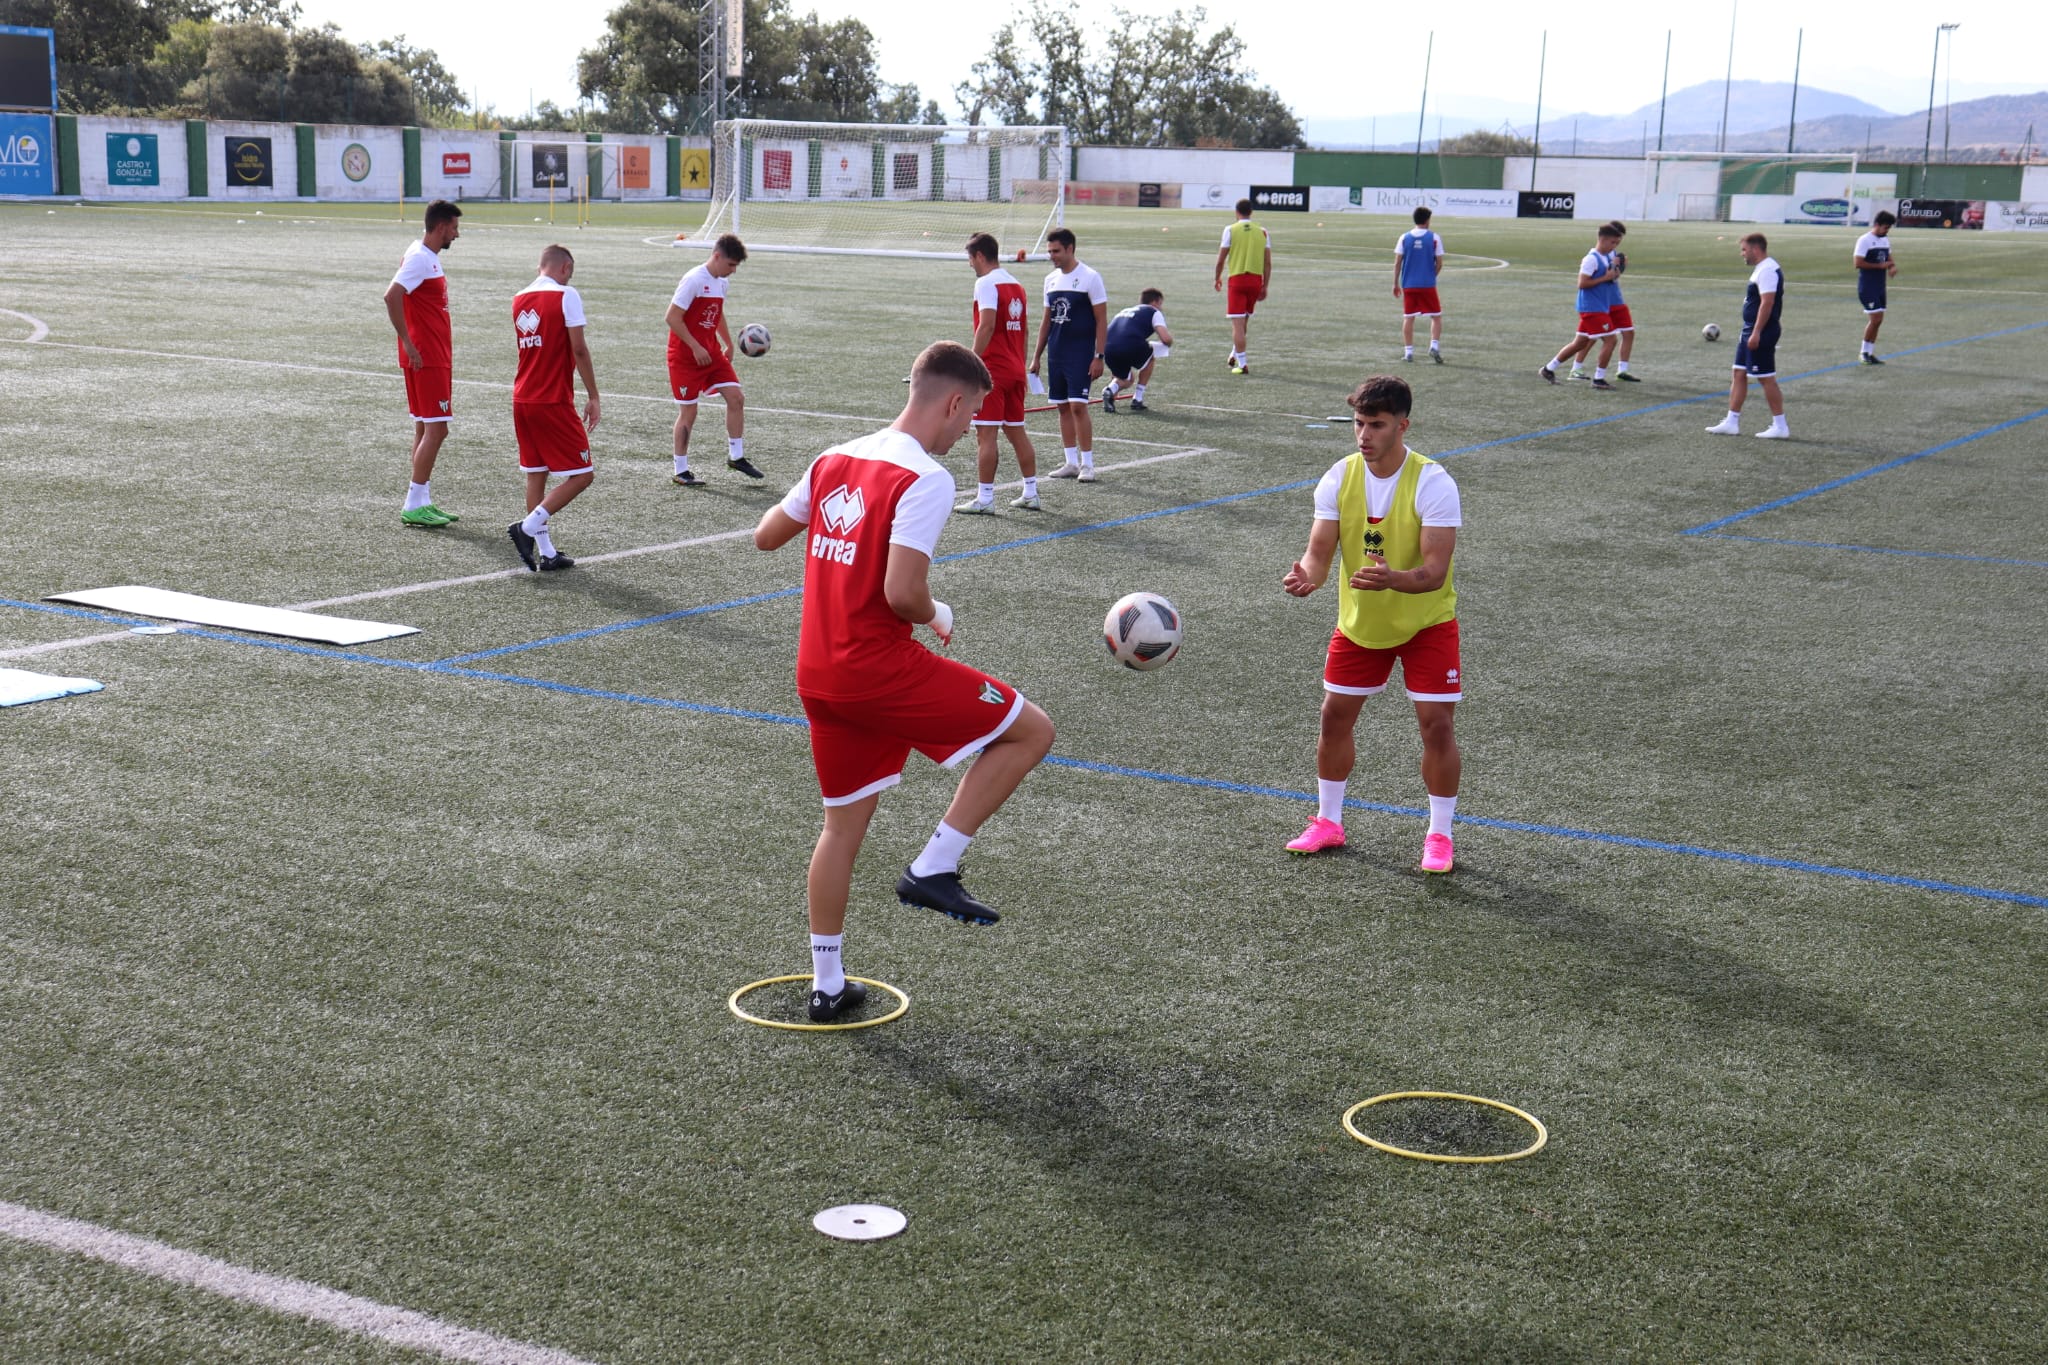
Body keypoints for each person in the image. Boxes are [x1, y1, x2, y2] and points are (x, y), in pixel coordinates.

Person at [753, 341, 1056, 1022]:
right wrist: (939, 611)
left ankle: (827, 986)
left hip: (819, 673)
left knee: (840, 830)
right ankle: (933, 866)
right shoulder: (925, 477)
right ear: (953, 402)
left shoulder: (834, 457)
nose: (967, 430)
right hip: (877, 668)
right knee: (1031, 730)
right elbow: (902, 593)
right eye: (971, 415)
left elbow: (767, 535)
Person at [1280, 374, 1463, 874]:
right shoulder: (1339, 477)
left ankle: (1440, 835)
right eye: (1359, 423)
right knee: (1333, 717)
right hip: (1361, 623)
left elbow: (1433, 574)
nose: (1364, 435)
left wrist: (1391, 580)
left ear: (1402, 425)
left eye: (1376, 425)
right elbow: (1319, 554)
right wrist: (1308, 578)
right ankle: (1328, 821)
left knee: (1437, 726)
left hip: (1426, 623)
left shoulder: (1434, 482)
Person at [506, 245, 600, 573]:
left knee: (537, 473)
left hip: (522, 398)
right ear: (565, 267)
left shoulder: (519, 298)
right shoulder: (565, 294)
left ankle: (546, 553)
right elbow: (579, 349)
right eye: (570, 272)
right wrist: (593, 395)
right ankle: (528, 529)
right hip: (552, 400)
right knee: (582, 474)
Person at [382, 199, 461, 527]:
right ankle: (414, 501)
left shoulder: (422, 255)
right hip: (426, 357)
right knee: (438, 428)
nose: (457, 235)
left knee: (424, 427)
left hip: (427, 355)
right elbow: (391, 295)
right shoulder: (418, 258)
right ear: (441, 227)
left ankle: (420, 500)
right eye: (454, 228)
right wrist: (409, 343)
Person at [666, 233, 760, 486]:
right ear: (717, 256)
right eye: (731, 265)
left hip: (712, 354)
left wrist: (728, 343)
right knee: (689, 412)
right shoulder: (694, 279)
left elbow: (716, 313)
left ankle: (736, 456)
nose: (733, 271)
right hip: (685, 357)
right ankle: (681, 470)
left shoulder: (721, 283)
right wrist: (696, 347)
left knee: (736, 397)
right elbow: (672, 317)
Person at [957, 232, 1041, 514]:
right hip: (1016, 370)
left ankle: (985, 499)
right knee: (1017, 433)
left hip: (994, 371)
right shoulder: (1016, 284)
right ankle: (1031, 492)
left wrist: (971, 360)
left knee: (986, 435)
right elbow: (1025, 330)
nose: (970, 265)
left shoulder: (985, 283)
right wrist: (1023, 363)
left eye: (970, 258)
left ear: (980, 256)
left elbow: (988, 325)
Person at [1031, 227, 1108, 482]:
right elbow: (1046, 321)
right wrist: (1037, 356)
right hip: (1056, 352)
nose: (1051, 255)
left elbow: (1101, 320)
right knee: (1062, 407)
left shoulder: (1090, 277)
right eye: (1049, 251)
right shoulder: (1050, 280)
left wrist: (1099, 355)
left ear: (1070, 249)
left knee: (1078, 406)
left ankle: (1088, 464)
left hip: (1081, 353)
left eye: (1056, 251)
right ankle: (1071, 462)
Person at [1706, 233, 1790, 439]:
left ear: (1755, 249)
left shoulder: (1768, 270)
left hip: (1761, 331)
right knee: (1739, 373)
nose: (1742, 254)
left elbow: (1767, 303)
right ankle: (1731, 421)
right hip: (1749, 329)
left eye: (1744, 249)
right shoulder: (1761, 269)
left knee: (1766, 378)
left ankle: (1780, 426)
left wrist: (1757, 332)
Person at [1538, 223, 1623, 391]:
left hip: (1600, 306)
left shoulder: (1608, 257)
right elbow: (1582, 283)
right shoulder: (1591, 259)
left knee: (1580, 343)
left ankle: (1548, 369)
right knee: (1611, 339)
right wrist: (1605, 277)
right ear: (1603, 239)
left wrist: (1615, 270)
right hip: (1592, 308)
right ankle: (1598, 379)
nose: (1615, 246)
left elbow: (1612, 277)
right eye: (1613, 242)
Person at [1213, 198, 1271, 375]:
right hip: (1255, 280)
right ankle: (1234, 353)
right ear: (1251, 212)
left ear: (1236, 212)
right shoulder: (1262, 232)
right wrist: (1264, 285)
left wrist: (1217, 278)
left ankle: (1242, 363)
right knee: (1243, 320)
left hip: (1237, 280)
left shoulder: (1230, 229)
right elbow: (1268, 263)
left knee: (1237, 324)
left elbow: (1221, 259)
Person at [1101, 289, 1174, 413]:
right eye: (1160, 304)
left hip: (1107, 347)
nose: (1161, 308)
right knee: (1151, 355)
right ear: (1155, 302)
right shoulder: (1153, 311)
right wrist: (1170, 342)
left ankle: (1110, 390)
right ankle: (1138, 399)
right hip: (1128, 344)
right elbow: (1165, 339)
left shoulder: (1124, 311)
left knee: (1127, 379)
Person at [1394, 206, 1444, 363]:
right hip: (1427, 284)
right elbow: (1440, 263)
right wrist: (1430, 276)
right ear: (1427, 220)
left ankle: (1408, 352)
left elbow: (1397, 262)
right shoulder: (1434, 238)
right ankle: (1434, 346)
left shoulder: (1404, 237)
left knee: (1409, 317)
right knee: (1436, 316)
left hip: (1409, 284)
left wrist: (1395, 283)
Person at [1855, 210, 1898, 364]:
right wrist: (1881, 266)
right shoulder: (1864, 240)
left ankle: (1869, 353)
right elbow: (1858, 263)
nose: (1887, 231)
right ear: (1877, 225)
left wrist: (1891, 266)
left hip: (1880, 286)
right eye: (1885, 227)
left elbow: (1888, 257)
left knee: (1878, 321)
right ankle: (1863, 352)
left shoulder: (1884, 240)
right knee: (1876, 319)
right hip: (1868, 287)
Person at [1600, 221, 1641, 381]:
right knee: (1590, 337)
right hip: (1603, 302)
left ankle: (1622, 370)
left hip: (1616, 300)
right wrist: (1614, 267)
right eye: (1616, 240)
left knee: (1628, 332)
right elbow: (1601, 277)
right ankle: (1577, 367)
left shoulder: (1613, 253)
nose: (1617, 243)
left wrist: (1620, 268)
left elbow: (1614, 276)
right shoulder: (1600, 253)